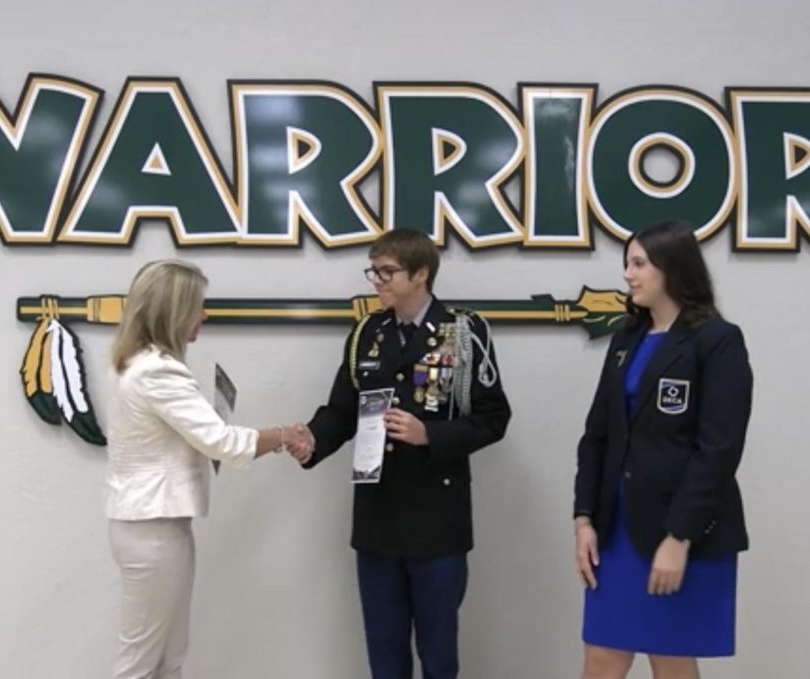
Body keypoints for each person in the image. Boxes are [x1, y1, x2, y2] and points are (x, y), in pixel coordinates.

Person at [290, 229, 512, 679]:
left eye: (387, 272)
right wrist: (311, 440)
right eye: (374, 271)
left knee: (438, 653)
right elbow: (342, 410)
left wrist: (429, 434)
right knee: (385, 652)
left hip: (437, 519)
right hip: (378, 516)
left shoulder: (464, 332)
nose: (377, 281)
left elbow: (494, 418)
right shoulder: (367, 333)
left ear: (421, 273)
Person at [104, 259, 311, 679]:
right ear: (174, 311)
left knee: (166, 659)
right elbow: (222, 442)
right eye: (198, 305)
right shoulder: (158, 372)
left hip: (152, 526)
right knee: (140, 665)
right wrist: (283, 434)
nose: (204, 314)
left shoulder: (135, 364)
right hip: (154, 530)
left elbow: (198, 441)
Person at [573, 220, 753, 679]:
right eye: (627, 264)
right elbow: (597, 435)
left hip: (678, 530)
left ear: (672, 268)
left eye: (638, 264)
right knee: (602, 657)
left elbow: (718, 448)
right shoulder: (626, 340)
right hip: (615, 531)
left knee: (670, 658)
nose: (628, 274)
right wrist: (584, 518)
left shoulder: (717, 340)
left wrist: (678, 538)